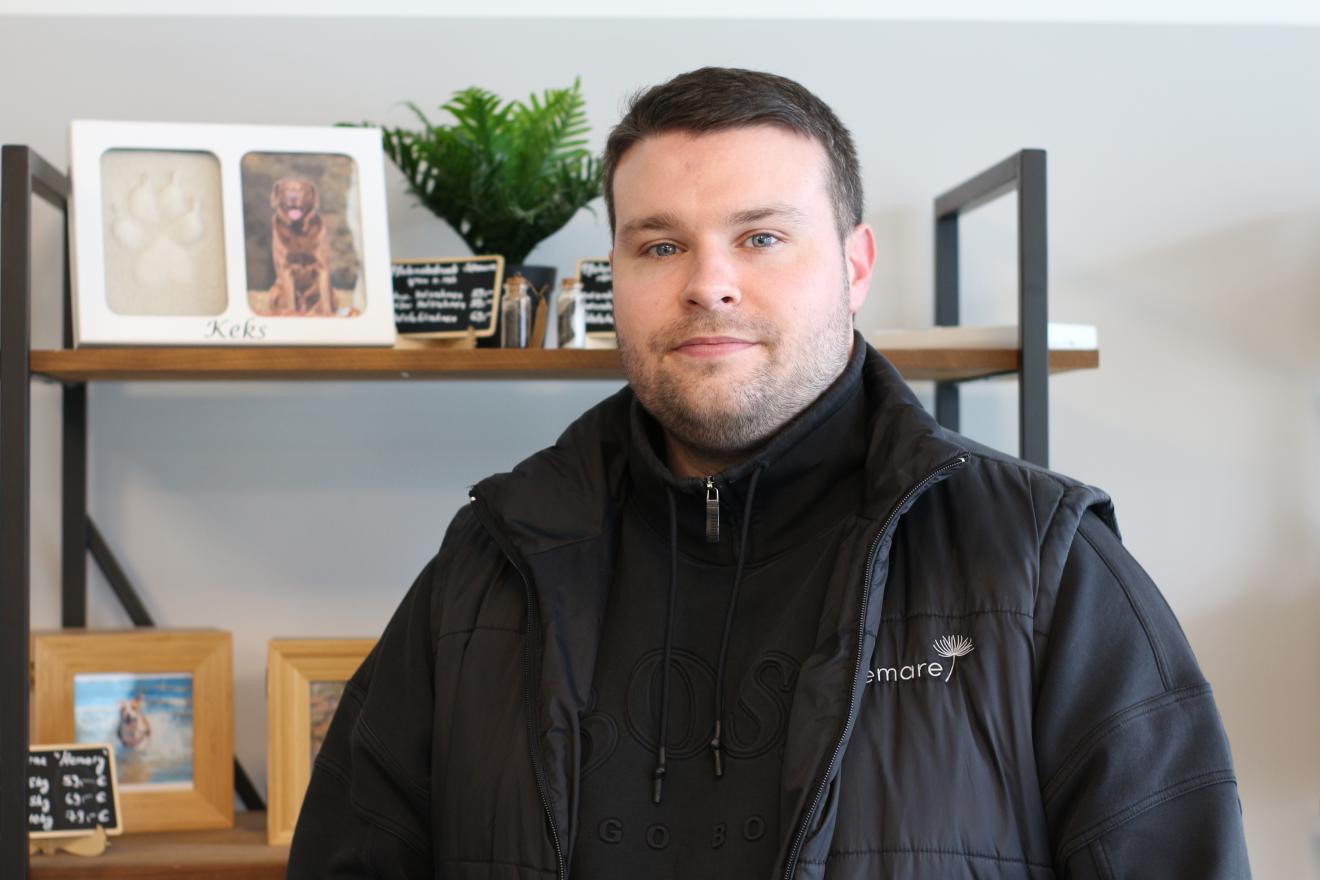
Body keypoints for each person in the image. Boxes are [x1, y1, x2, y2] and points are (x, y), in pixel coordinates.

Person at [288, 67, 1250, 879]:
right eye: (660, 245)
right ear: (613, 276)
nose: (708, 282)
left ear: (855, 264)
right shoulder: (490, 561)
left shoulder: (1042, 564)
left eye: (761, 237)